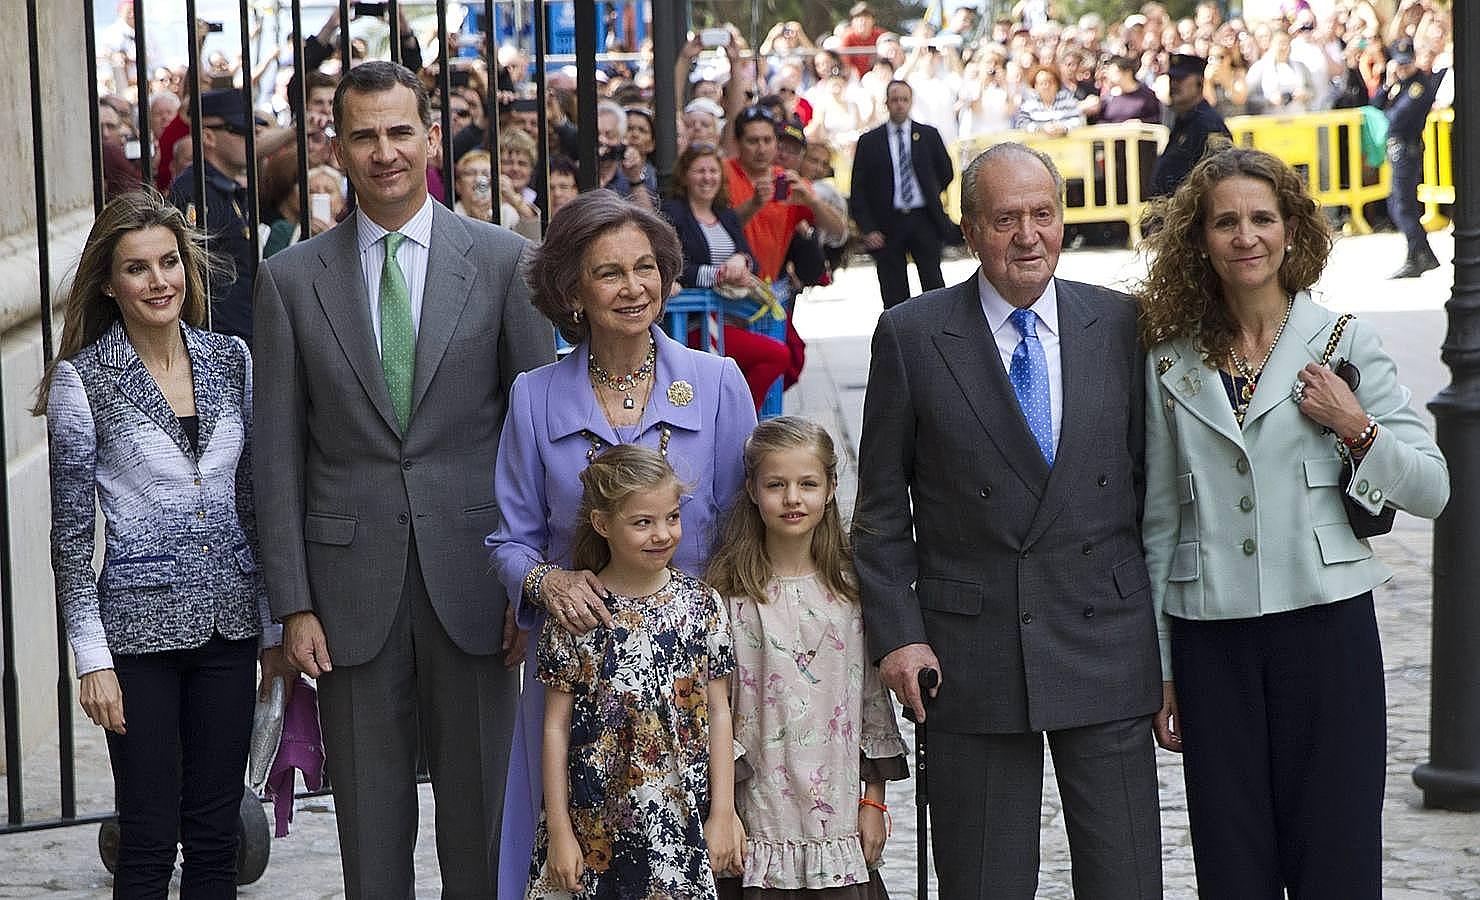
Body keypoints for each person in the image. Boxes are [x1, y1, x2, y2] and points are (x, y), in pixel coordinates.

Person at [252, 60, 553, 898]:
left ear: (429, 137)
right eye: (363, 136)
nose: (384, 152)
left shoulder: (504, 263)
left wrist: (529, 588)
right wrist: (293, 602)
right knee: (370, 839)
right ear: (336, 148)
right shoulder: (291, 280)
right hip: (347, 595)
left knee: (483, 822)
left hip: (479, 585)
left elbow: (531, 440)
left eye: (398, 131)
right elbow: (276, 453)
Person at [851, 142, 1163, 897]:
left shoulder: (1121, 322)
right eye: (1006, 219)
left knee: (1126, 880)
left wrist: (1169, 646)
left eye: (1043, 215)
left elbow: (1153, 491)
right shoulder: (913, 334)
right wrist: (898, 635)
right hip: (972, 651)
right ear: (968, 230)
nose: (1028, 235)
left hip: (1107, 639)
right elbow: (881, 513)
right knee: (984, 882)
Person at [1136, 147, 1449, 898]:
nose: (1246, 237)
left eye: (1263, 218)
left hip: (1326, 631)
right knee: (1232, 864)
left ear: (1292, 231)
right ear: (1200, 240)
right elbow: (1157, 520)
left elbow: (1434, 489)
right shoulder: (1167, 359)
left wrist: (1356, 426)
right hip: (1212, 641)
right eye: (1226, 222)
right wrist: (1163, 667)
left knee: (1335, 859)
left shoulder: (1344, 342)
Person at [486, 189, 757, 900]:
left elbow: (744, 535)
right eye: (609, 272)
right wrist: (549, 584)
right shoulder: (534, 397)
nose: (633, 288)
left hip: (692, 688)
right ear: (572, 290)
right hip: (581, 686)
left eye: (646, 268)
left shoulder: (717, 383)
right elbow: (508, 540)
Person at [39, 190, 290, 895]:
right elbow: (68, 540)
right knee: (148, 837)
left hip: (229, 629)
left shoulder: (229, 358)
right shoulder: (82, 382)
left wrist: (271, 626)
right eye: (138, 268)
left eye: (170, 263)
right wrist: (92, 660)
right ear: (109, 284)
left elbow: (252, 506)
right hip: (136, 640)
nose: (160, 281)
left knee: (218, 835)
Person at [526, 445, 744, 897]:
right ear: (603, 524)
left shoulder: (702, 606)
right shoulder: (578, 616)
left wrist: (724, 811)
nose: (662, 534)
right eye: (643, 523)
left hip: (679, 823)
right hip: (596, 826)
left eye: (672, 517)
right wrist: (561, 832)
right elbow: (555, 728)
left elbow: (720, 713)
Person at [706, 417, 908, 899]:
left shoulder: (852, 592)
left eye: (807, 484)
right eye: (777, 484)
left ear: (832, 488)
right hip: (757, 826)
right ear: (753, 490)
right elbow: (715, 713)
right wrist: (723, 811)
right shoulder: (727, 597)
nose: (792, 498)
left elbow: (870, 705)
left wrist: (873, 802)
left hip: (835, 829)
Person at [662, 144, 791, 412]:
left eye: (713, 170)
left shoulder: (725, 213)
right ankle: (743, 420)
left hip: (734, 317)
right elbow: (671, 264)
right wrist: (718, 275)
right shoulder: (672, 213)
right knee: (776, 355)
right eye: (700, 171)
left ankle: (734, 416)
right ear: (685, 175)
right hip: (695, 323)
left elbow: (749, 258)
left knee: (784, 353)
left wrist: (740, 261)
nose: (707, 177)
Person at [849, 79, 955, 309]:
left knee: (934, 284)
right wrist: (867, 228)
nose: (899, 105)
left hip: (923, 218)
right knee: (893, 290)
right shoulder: (870, 141)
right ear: (886, 103)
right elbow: (858, 188)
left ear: (911, 102)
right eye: (895, 100)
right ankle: (899, 340)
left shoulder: (927, 135)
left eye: (904, 100)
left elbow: (946, 171)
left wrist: (931, 191)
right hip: (887, 222)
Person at [168, 89, 258, 345]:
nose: (250, 138)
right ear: (208, 136)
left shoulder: (229, 189)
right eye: (239, 131)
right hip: (215, 339)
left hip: (243, 335)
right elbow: (193, 270)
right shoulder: (195, 191)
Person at [1380, 37, 1445, 279]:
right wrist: (1388, 84)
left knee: (1403, 205)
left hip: (1406, 149)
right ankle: (1423, 253)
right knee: (1396, 203)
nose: (1404, 69)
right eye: (1400, 64)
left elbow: (1395, 118)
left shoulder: (1418, 86)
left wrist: (1395, 92)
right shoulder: (1399, 84)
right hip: (1397, 149)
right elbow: (1376, 104)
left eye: (1407, 64)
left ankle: (1417, 256)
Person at [1150, 53, 1230, 197]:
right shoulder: (1184, 120)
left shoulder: (1208, 124)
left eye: (1180, 79)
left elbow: (1220, 176)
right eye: (1172, 79)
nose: (1173, 84)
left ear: (1199, 83)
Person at [1012, 64, 1086, 134]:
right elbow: (1021, 124)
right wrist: (1040, 129)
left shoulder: (1067, 100)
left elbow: (1080, 120)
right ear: (1035, 86)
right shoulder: (1029, 104)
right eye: (1042, 83)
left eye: (1050, 82)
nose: (1046, 86)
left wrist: (1064, 128)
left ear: (1057, 85)